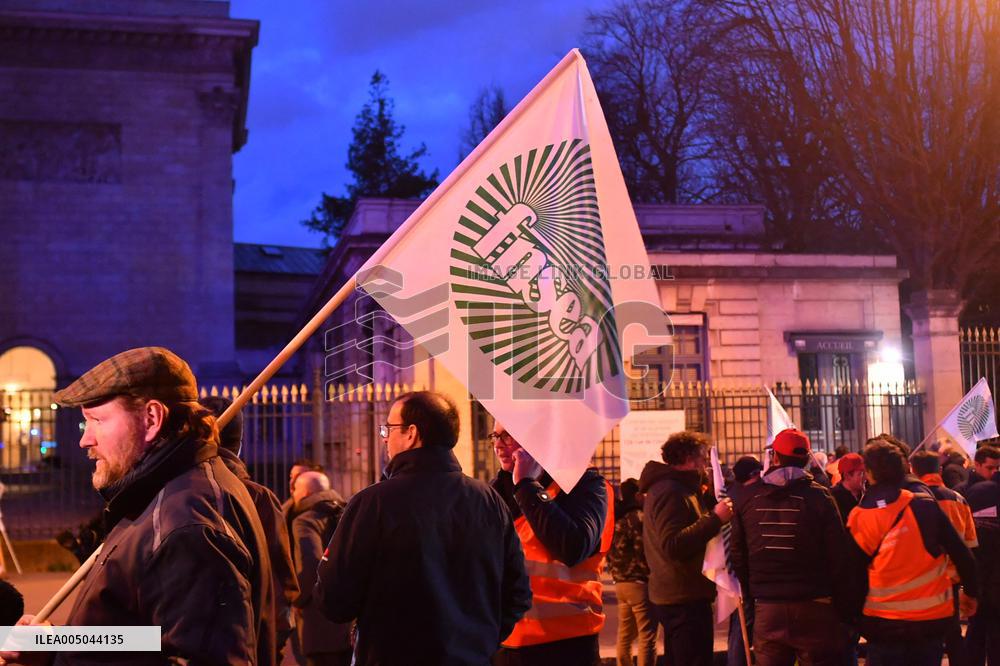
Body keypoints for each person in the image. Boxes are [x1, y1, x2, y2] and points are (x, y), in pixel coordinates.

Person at [2, 347, 274, 666]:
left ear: (152, 419)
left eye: (97, 420)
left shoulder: (186, 527)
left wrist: (62, 654)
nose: (84, 439)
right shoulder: (162, 494)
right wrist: (57, 642)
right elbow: (145, 637)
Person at [315, 391, 531, 665]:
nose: (385, 437)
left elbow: (333, 599)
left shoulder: (374, 503)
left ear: (411, 434)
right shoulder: (489, 501)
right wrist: (479, 639)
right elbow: (518, 594)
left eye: (389, 428)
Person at [489, 421, 613, 665]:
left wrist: (526, 485)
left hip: (567, 645)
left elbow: (572, 547)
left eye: (509, 436)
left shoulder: (585, 484)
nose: (498, 445)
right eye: (495, 436)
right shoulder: (497, 491)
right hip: (506, 642)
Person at [847, 439, 979, 666]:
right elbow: (963, 554)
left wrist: (854, 619)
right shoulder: (926, 504)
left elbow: (849, 574)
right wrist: (971, 592)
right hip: (930, 622)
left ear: (869, 473)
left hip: (884, 624)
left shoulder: (862, 514)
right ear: (905, 468)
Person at [730, 429, 853, 666]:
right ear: (807, 459)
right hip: (814, 605)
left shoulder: (749, 498)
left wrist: (751, 591)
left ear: (775, 457)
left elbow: (738, 553)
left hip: (767, 606)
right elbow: (839, 554)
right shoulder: (820, 497)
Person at [200, 395, 300, 664]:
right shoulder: (259, 500)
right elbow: (281, 585)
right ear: (240, 444)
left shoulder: (171, 494)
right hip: (251, 646)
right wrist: (273, 644)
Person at [640, 430, 732, 666]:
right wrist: (715, 519)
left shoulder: (679, 489)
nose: (705, 465)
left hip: (683, 592)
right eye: (703, 459)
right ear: (689, 459)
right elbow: (672, 545)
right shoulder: (671, 491)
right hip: (682, 596)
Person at [290, 471, 352, 666]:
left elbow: (311, 567)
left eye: (296, 489)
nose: (293, 495)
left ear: (307, 492)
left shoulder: (305, 521)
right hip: (350, 620)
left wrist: (297, 600)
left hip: (320, 625)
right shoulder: (349, 514)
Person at [607, 478, 656, 666]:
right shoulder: (638, 518)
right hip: (639, 584)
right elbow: (643, 550)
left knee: (625, 635)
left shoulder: (617, 518)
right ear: (637, 495)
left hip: (620, 583)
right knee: (647, 636)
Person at [726, 455, 762, 666]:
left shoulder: (733, 496)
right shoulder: (748, 498)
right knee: (743, 627)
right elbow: (738, 545)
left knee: (739, 627)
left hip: (739, 575)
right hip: (746, 575)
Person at [963, 478, 1000, 666]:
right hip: (985, 576)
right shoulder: (980, 491)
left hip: (978, 574)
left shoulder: (976, 491)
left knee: (977, 630)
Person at [831, 453, 865, 525]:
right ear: (847, 476)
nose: (866, 478)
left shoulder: (866, 495)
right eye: (861, 474)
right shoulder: (833, 499)